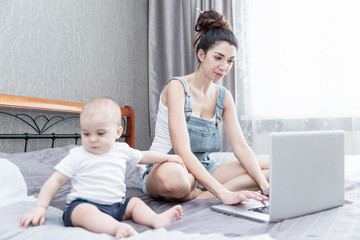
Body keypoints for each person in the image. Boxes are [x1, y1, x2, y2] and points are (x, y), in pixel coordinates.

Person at [142, 9, 269, 205]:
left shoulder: (223, 96)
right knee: (176, 180)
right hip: (170, 165)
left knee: (273, 166)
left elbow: (241, 148)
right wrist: (223, 194)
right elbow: (181, 150)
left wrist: (263, 183)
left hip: (204, 167)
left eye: (230, 61)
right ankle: (216, 190)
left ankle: (200, 192)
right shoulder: (177, 87)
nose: (224, 67)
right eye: (218, 58)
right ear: (201, 55)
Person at [20, 97, 184, 239]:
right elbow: (55, 180)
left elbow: (145, 156)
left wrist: (168, 157)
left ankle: (155, 219)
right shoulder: (78, 155)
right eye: (86, 134)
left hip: (115, 206)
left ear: (118, 132)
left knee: (134, 203)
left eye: (100, 133)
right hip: (84, 204)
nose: (92, 139)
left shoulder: (122, 150)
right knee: (84, 212)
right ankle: (116, 228)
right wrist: (40, 208)